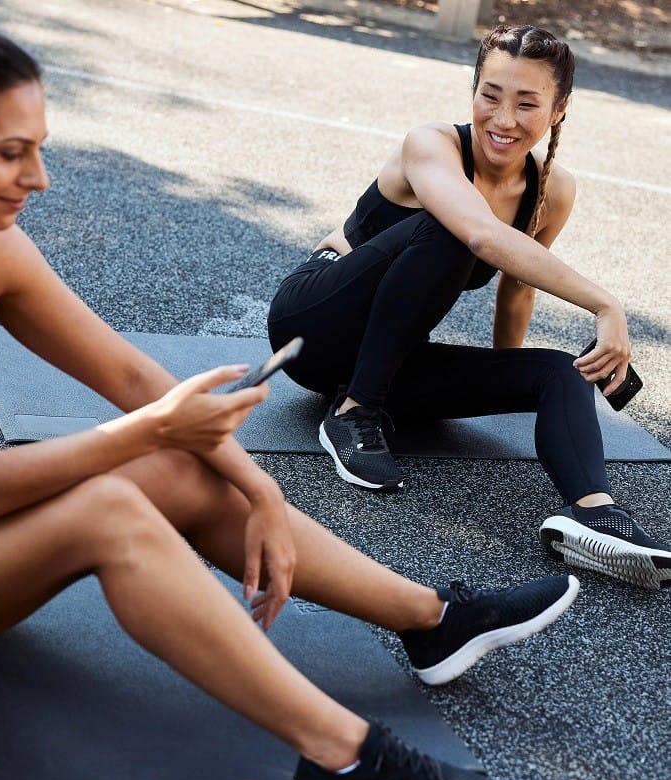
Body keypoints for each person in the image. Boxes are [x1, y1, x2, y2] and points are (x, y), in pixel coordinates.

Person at [0, 26, 581, 780]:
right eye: (14, 152)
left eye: (41, 149)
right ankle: (345, 756)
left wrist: (256, 486)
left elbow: (131, 376)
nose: (39, 178)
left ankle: (433, 619)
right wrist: (149, 431)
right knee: (112, 510)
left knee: (184, 474)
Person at [267, 24, 671, 592]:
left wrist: (509, 376)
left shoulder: (553, 191)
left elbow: (519, 284)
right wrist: (606, 304)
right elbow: (481, 237)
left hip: (391, 359)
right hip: (309, 328)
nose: (504, 119)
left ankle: (595, 516)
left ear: (558, 111)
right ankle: (354, 414)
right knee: (450, 229)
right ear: (474, 92)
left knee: (558, 370)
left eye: (527, 103)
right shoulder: (430, 145)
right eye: (491, 95)